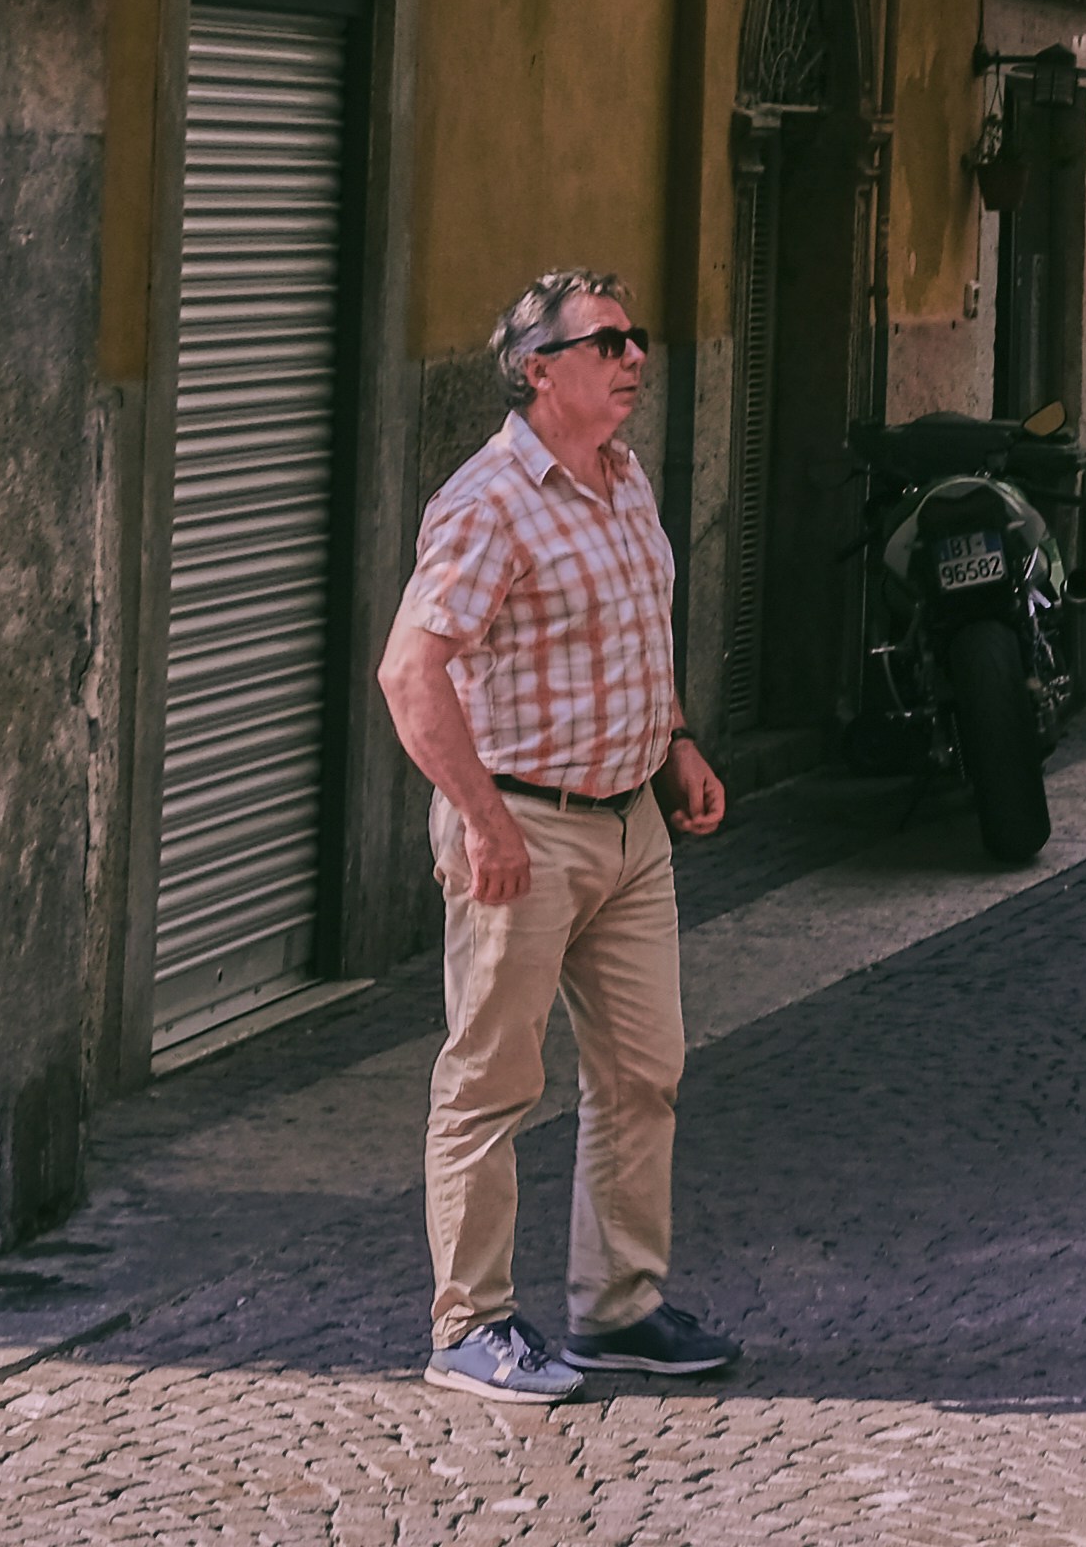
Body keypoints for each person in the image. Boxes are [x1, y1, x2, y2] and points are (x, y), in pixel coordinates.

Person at [375, 270, 739, 1407]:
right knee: (492, 1079)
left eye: (638, 337)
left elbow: (638, 625)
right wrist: (482, 818)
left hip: (629, 823)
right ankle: (468, 1323)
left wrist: (674, 736)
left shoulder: (624, 478)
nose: (636, 356)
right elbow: (410, 669)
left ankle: (620, 1307)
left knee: (644, 1069)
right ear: (541, 368)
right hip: (522, 825)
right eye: (610, 341)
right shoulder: (489, 500)